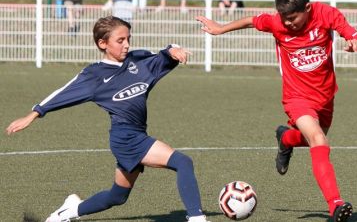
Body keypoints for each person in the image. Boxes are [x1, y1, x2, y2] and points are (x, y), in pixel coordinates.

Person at [6, 16, 210, 222]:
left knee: (117, 196)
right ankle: (196, 218)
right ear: (102, 44)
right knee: (182, 162)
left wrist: (173, 50)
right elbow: (64, 92)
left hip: (135, 134)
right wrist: (34, 113)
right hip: (126, 138)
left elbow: (162, 55)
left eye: (128, 39)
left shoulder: (136, 61)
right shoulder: (95, 75)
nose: (127, 44)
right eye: (120, 40)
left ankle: (67, 212)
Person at [196, 0, 357, 222]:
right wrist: (220, 28)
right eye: (283, 17)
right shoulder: (276, 22)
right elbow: (251, 21)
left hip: (326, 96)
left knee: (311, 139)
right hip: (296, 97)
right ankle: (335, 204)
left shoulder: (326, 13)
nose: (287, 22)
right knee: (318, 139)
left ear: (307, 8)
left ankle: (285, 138)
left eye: (292, 18)